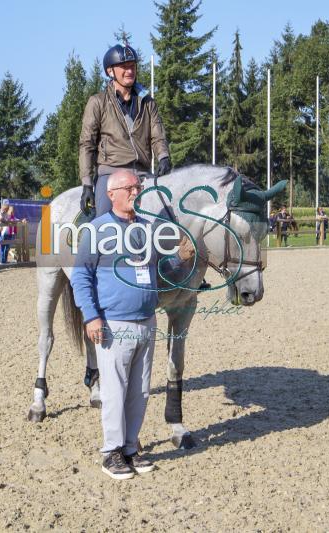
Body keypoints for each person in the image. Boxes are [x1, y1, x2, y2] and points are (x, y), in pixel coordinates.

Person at [70, 169, 194, 480]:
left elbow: (159, 270)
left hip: (146, 320)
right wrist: (91, 316)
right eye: (131, 187)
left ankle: (129, 447)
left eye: (138, 187)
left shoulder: (148, 229)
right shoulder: (97, 230)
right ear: (112, 194)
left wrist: (180, 259)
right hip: (112, 322)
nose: (137, 191)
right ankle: (111, 452)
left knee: (139, 390)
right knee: (114, 389)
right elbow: (81, 277)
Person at [78, 43, 171, 218]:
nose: (130, 71)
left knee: (166, 221)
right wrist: (87, 184)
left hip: (143, 174)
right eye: (124, 67)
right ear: (110, 71)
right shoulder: (97, 102)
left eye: (132, 66)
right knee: (104, 223)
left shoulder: (148, 102)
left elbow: (157, 136)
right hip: (111, 175)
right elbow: (86, 144)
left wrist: (163, 157)